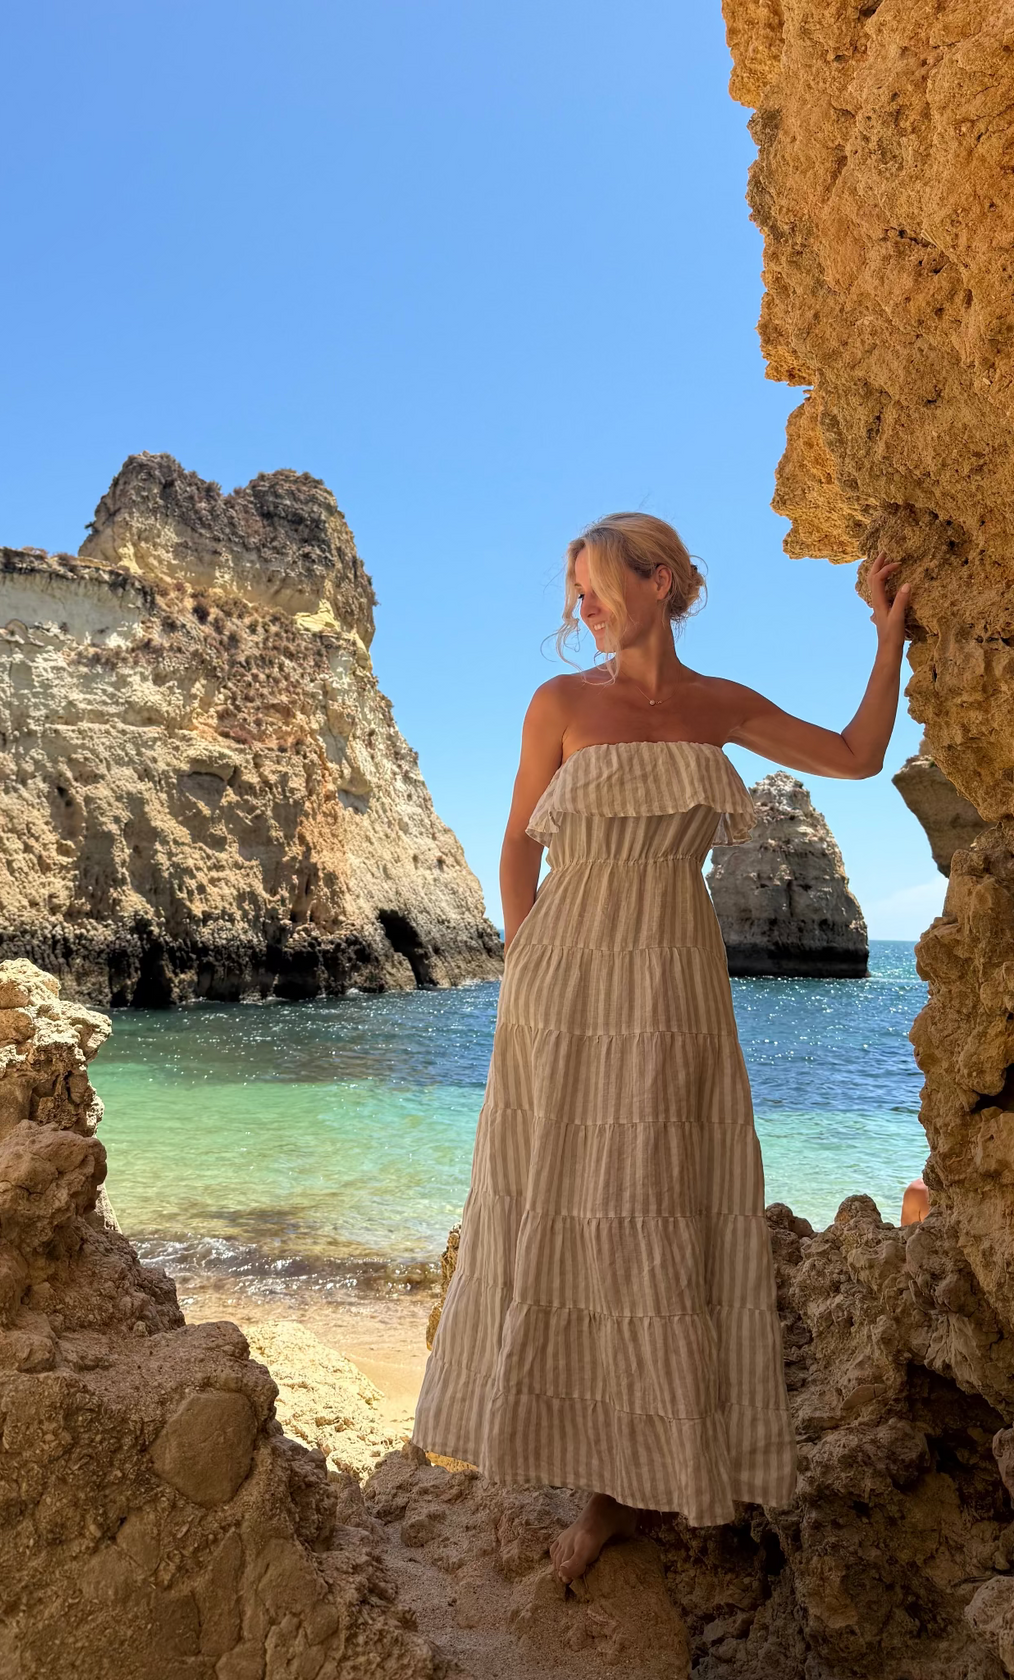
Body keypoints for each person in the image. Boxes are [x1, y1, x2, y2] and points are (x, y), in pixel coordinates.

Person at [411, 511, 910, 1584]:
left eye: (594, 582)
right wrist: (525, 941)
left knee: (658, 1199)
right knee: (562, 1197)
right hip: (564, 972)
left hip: (673, 975)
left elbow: (860, 757)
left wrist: (886, 639)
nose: (580, 606)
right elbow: (515, 839)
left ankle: (628, 1487)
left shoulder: (715, 706)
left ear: (660, 579)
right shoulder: (560, 704)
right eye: (575, 592)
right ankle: (580, 1457)